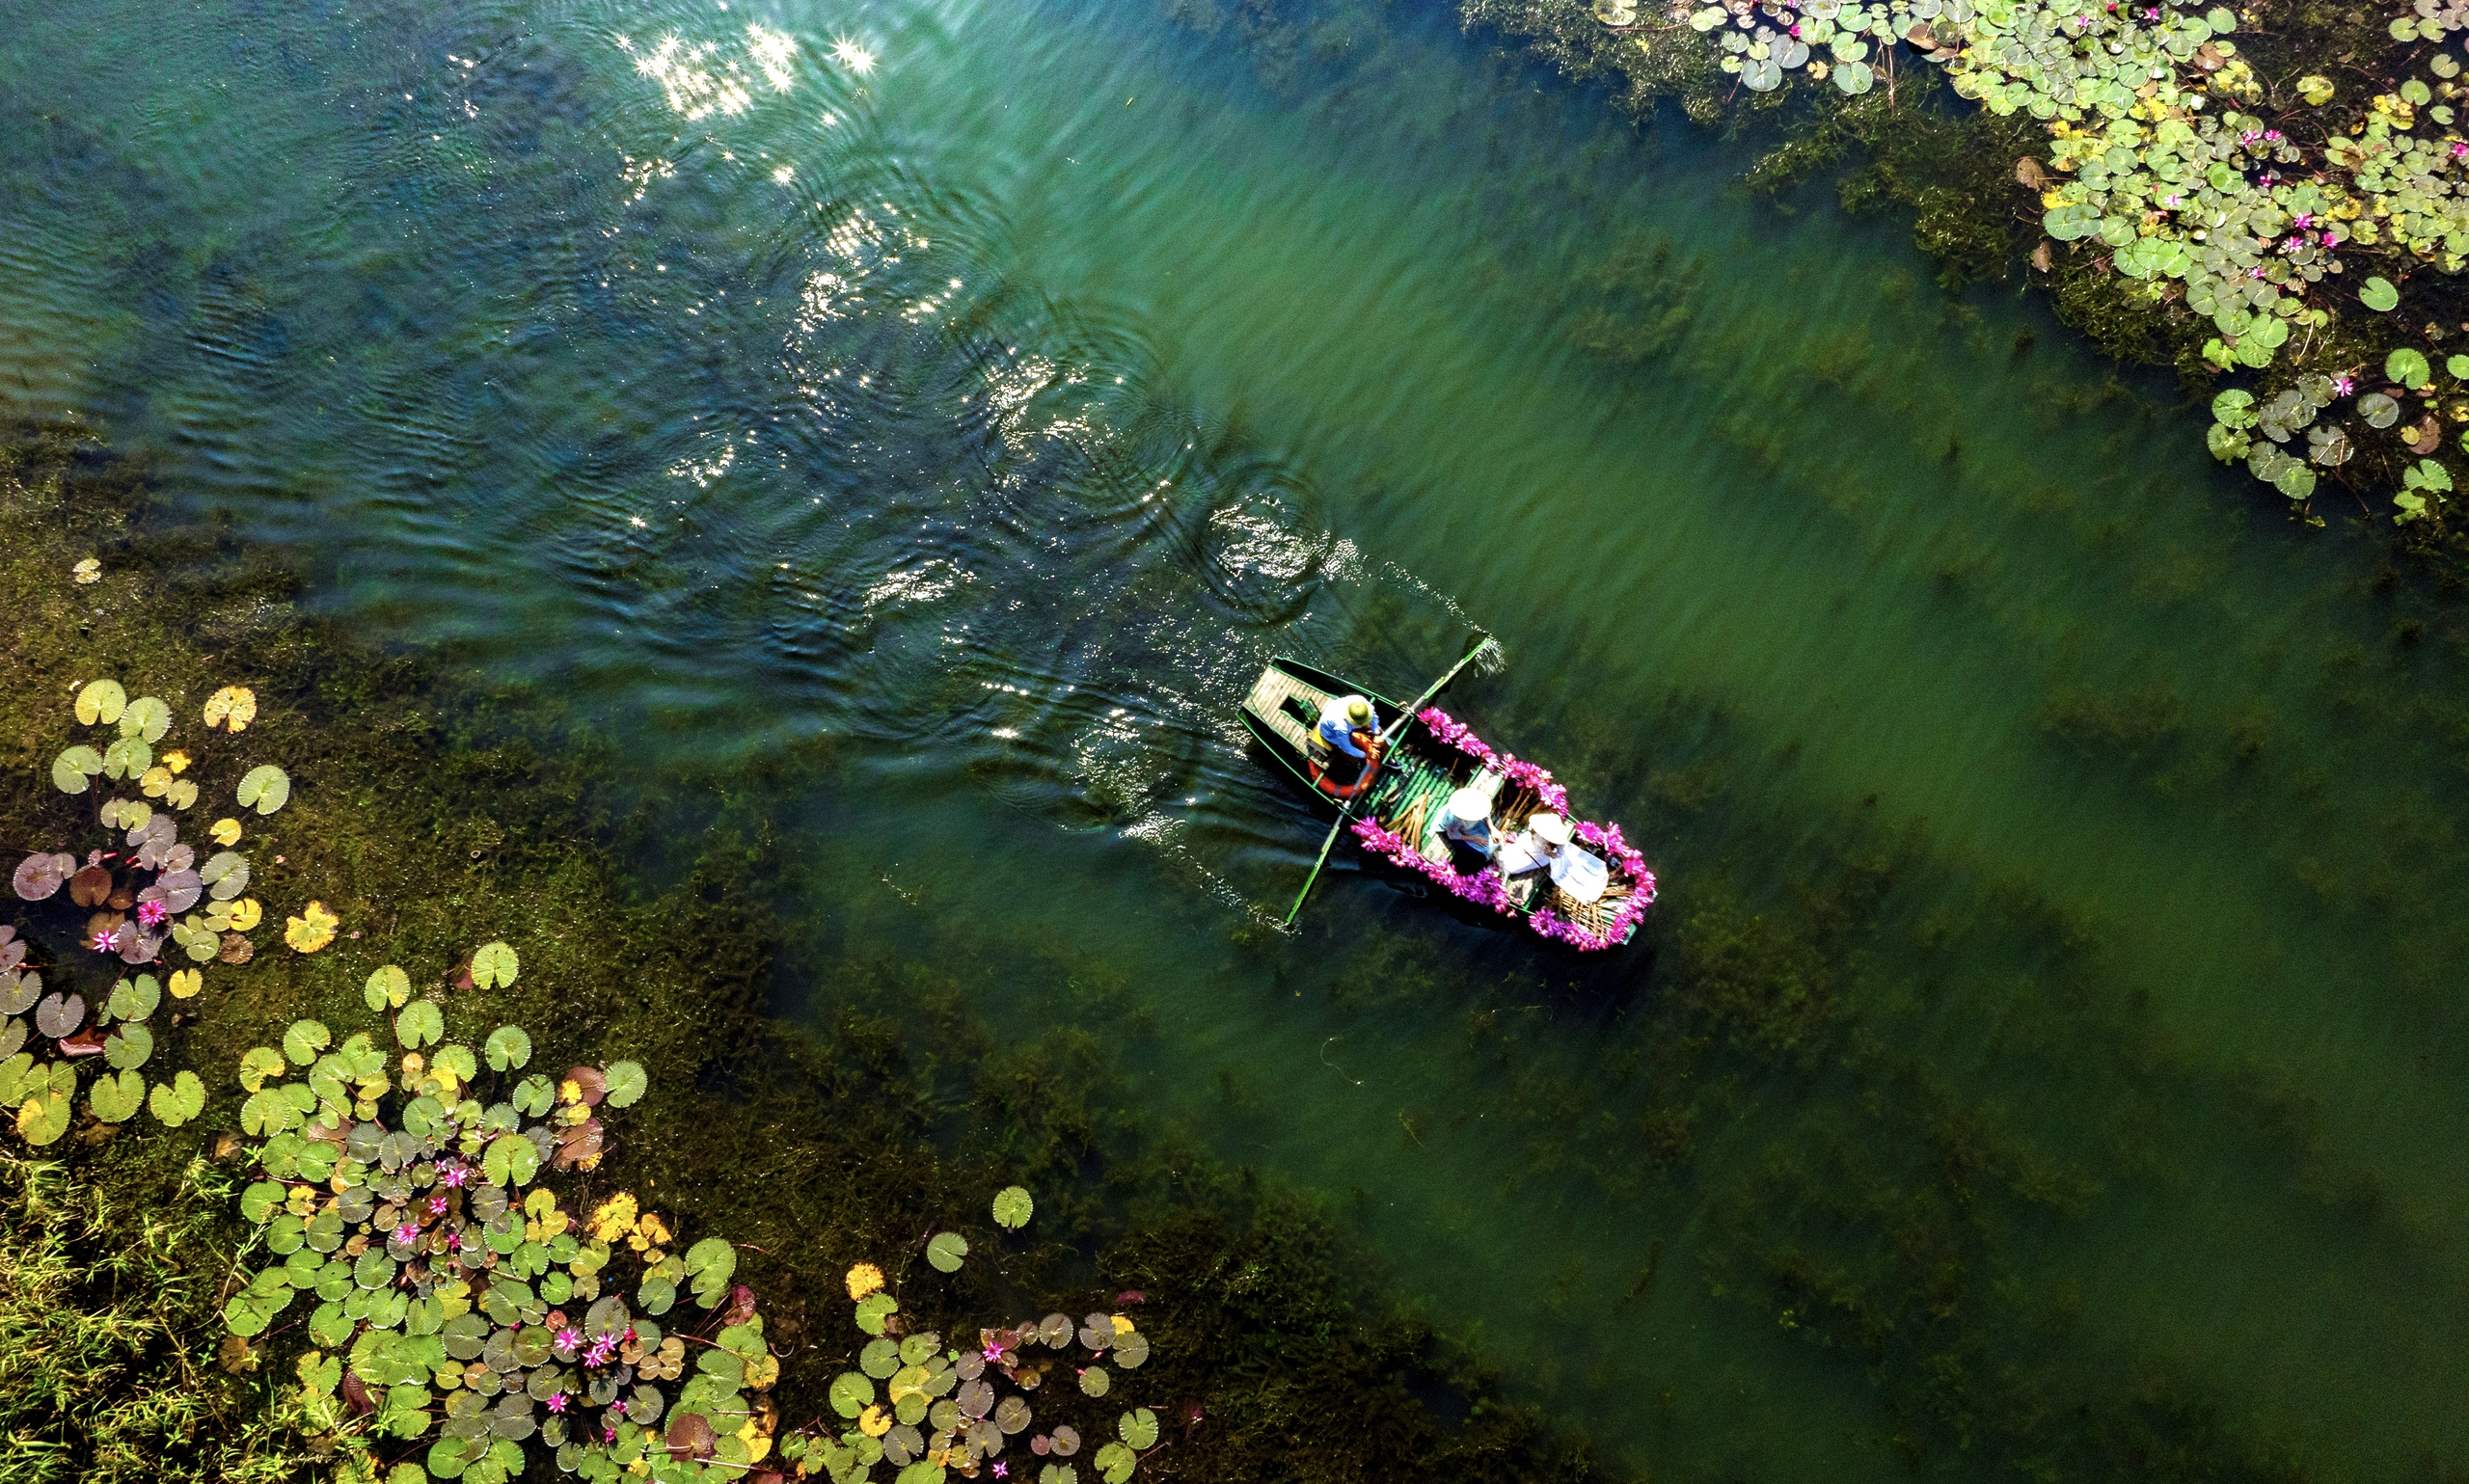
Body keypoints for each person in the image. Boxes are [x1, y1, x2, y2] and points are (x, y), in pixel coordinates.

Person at [1314, 693, 1384, 787]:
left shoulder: (1360, 702)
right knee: (1352, 759)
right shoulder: (1340, 726)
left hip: (1344, 722)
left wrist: (1376, 734)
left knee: (1380, 734)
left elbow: (1374, 717)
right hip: (1331, 734)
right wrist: (1365, 755)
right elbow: (1346, 747)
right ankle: (1355, 770)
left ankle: (1387, 759)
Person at [1440, 786, 1495, 862]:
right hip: (1454, 832)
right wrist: (1474, 839)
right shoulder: (1454, 819)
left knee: (1493, 842)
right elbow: (1452, 835)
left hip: (1470, 827)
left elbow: (1487, 815)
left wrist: (1492, 829)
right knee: (1479, 854)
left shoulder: (1480, 805)